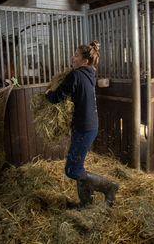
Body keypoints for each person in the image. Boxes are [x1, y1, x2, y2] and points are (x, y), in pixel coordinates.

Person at [45, 40, 119, 208]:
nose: (73, 57)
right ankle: (85, 203)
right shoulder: (90, 74)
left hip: (85, 127)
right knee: (78, 166)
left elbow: (58, 97)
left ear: (85, 61)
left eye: (76, 55)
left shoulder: (76, 75)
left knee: (72, 170)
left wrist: (48, 93)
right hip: (88, 125)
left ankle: (109, 187)